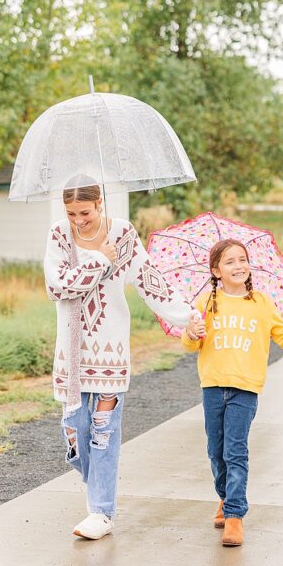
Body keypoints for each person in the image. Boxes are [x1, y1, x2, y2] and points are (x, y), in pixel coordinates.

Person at [45, 175, 196, 540]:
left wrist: (187, 315)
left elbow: (148, 281)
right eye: (72, 212)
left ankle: (100, 511)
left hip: (110, 350)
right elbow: (58, 286)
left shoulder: (123, 234)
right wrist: (99, 260)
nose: (78, 219)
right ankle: (97, 478)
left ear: (100, 204)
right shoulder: (59, 236)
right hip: (71, 353)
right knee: (77, 435)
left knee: (104, 433)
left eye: (85, 212)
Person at [182, 238, 283, 547]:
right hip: (212, 386)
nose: (238, 266)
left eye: (242, 260)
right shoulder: (205, 303)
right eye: (230, 262)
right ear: (216, 271)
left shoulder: (260, 302)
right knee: (215, 451)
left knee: (235, 451)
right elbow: (189, 342)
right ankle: (225, 496)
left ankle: (234, 514)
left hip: (245, 388)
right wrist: (193, 332)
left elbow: (282, 334)